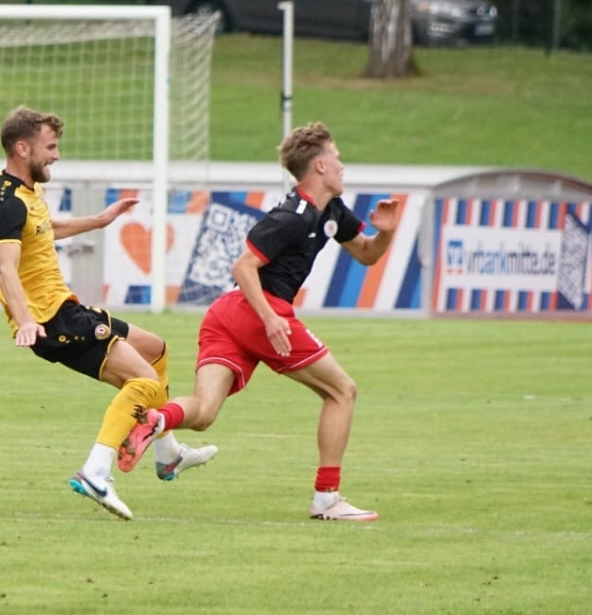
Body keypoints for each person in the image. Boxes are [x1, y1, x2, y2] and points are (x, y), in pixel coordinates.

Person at [142, 122, 402, 522]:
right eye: (336, 157)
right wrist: (270, 318)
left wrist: (386, 233)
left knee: (205, 412)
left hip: (226, 314)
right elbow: (243, 266)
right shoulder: (290, 216)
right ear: (319, 166)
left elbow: (367, 254)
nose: (342, 165)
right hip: (258, 310)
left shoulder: (331, 210)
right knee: (342, 391)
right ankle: (326, 498)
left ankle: (157, 419)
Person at [0, 106, 215, 522]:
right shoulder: (4, 200)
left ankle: (168, 454)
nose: (56, 155)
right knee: (143, 381)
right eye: (50, 147)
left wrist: (99, 220)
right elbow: (5, 268)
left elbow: (44, 230)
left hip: (66, 309)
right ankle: (95, 471)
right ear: (22, 148)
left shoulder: (28, 193)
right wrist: (26, 320)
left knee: (156, 351)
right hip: (51, 321)